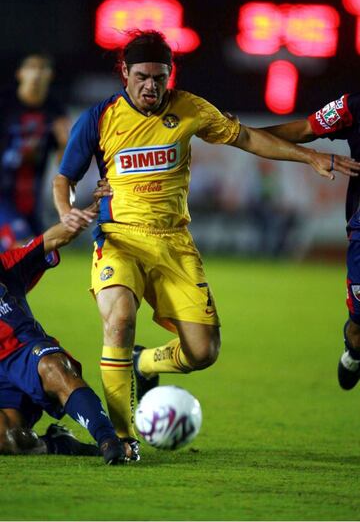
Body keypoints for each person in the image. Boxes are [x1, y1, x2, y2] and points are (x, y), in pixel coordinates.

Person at [52, 30, 360, 453]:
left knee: (203, 352)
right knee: (119, 318)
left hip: (174, 243)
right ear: (124, 73)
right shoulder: (99, 117)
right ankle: (120, 439)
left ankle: (143, 361)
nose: (151, 86)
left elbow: (247, 137)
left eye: (160, 77)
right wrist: (65, 210)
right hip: (119, 240)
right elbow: (63, 178)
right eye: (142, 76)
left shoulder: (190, 108)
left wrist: (311, 156)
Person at [0, 200, 138, 465]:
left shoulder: (7, 265)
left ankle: (108, 440)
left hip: (26, 353)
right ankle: (57, 444)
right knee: (7, 438)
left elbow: (53, 237)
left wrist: (87, 211)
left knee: (53, 366)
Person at [259, 93, 360, 391]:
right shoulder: (352, 107)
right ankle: (355, 349)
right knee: (359, 326)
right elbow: (305, 129)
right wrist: (244, 136)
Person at [0, 53, 70, 251]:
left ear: (51, 75)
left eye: (42, 68)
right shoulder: (5, 104)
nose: (37, 73)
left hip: (31, 194)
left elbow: (63, 162)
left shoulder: (55, 109)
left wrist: (65, 142)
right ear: (20, 74)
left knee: (36, 256)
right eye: (31, 67)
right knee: (21, 246)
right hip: (3, 193)